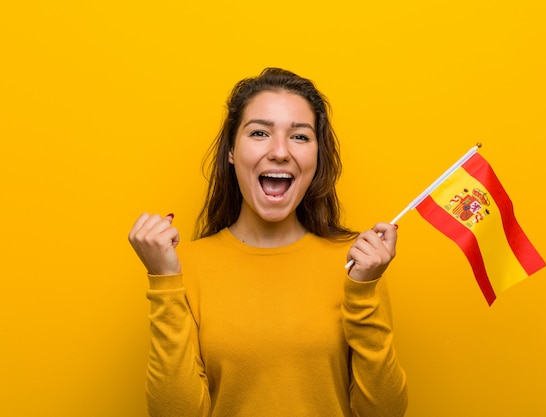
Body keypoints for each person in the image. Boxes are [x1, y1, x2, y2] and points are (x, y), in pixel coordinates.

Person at [128, 68, 408, 417]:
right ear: (231, 150)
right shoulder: (183, 266)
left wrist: (364, 292)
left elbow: (384, 413)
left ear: (317, 155)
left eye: (300, 137)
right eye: (259, 132)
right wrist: (164, 282)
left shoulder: (357, 262)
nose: (279, 152)